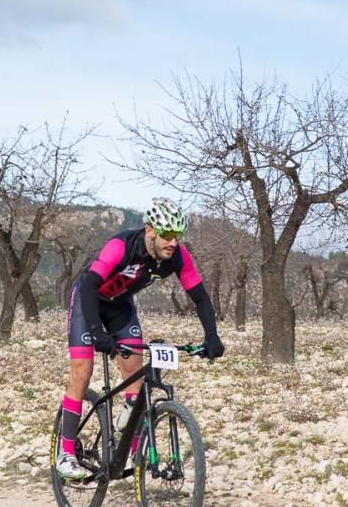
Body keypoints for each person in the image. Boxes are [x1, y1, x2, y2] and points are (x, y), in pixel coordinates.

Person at [57, 198, 225, 479]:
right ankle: (65, 453)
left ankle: (131, 452)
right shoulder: (121, 247)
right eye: (168, 235)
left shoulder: (178, 258)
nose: (174, 242)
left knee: (135, 371)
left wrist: (212, 337)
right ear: (150, 231)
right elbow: (88, 285)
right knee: (81, 372)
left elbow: (200, 298)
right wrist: (97, 332)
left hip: (120, 307)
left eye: (178, 236)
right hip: (89, 304)